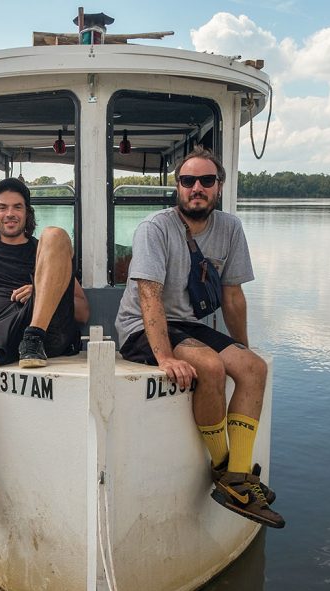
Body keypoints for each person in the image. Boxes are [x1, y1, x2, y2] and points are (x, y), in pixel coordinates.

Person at [114, 148, 284, 528]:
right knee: (207, 365)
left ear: (218, 188)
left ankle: (237, 479)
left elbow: (232, 295)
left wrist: (242, 346)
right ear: (177, 187)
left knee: (252, 368)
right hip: (141, 324)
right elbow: (148, 296)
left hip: (187, 324)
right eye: (188, 181)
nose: (197, 188)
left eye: (206, 181)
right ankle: (227, 469)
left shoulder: (230, 228)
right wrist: (164, 358)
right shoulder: (155, 229)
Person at [0, 177, 89, 532]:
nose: (10, 214)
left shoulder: (44, 251)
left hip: (43, 325)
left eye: (18, 207)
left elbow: (83, 312)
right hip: (0, 329)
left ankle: (33, 338)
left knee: (57, 234)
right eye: (3, 207)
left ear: (28, 213)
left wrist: (42, 287)